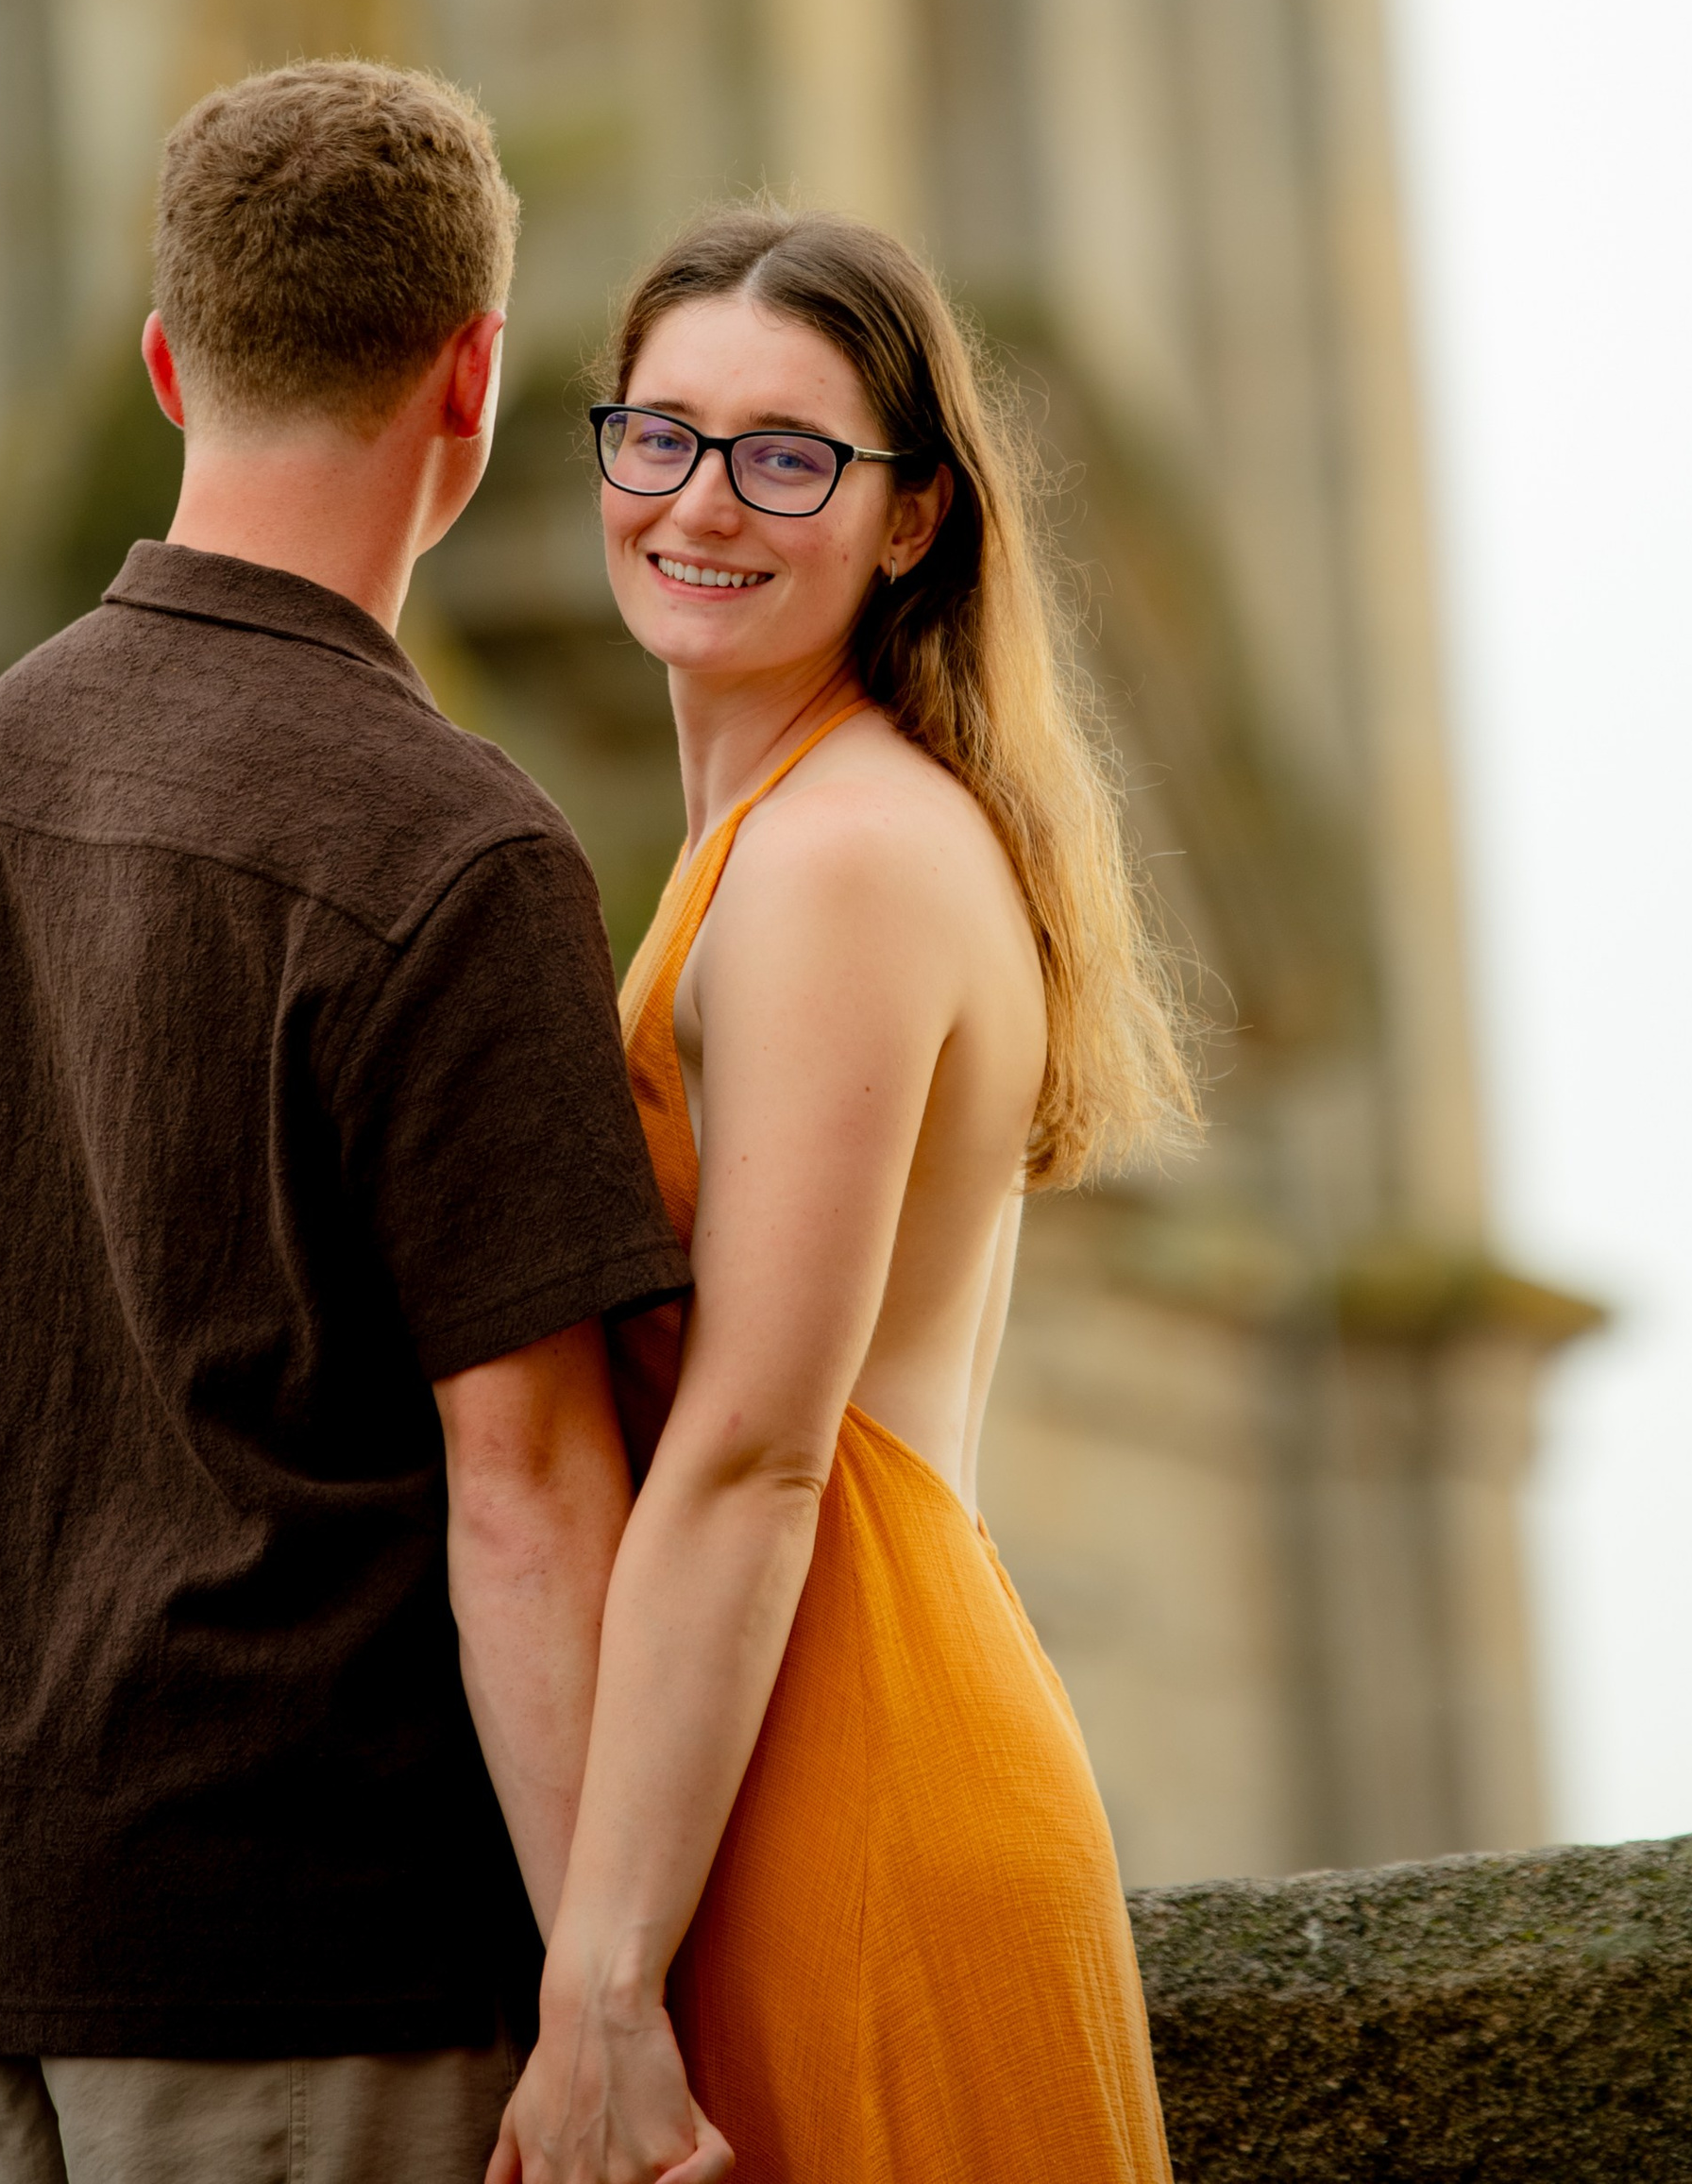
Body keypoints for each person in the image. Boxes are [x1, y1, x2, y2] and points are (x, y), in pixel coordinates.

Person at [0, 60, 691, 2184]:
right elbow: (520, 1499)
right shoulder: (452, 846)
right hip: (326, 1998)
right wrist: (612, 2005)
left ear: (166, 363)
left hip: (19, 1992)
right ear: (475, 380)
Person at [491, 206, 1198, 2184]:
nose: (702, 501)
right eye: (660, 434)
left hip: (855, 1777)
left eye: (786, 455)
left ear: (910, 521)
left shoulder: (839, 864)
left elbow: (755, 1456)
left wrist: (599, 1988)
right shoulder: (780, 833)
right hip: (778, 1759)